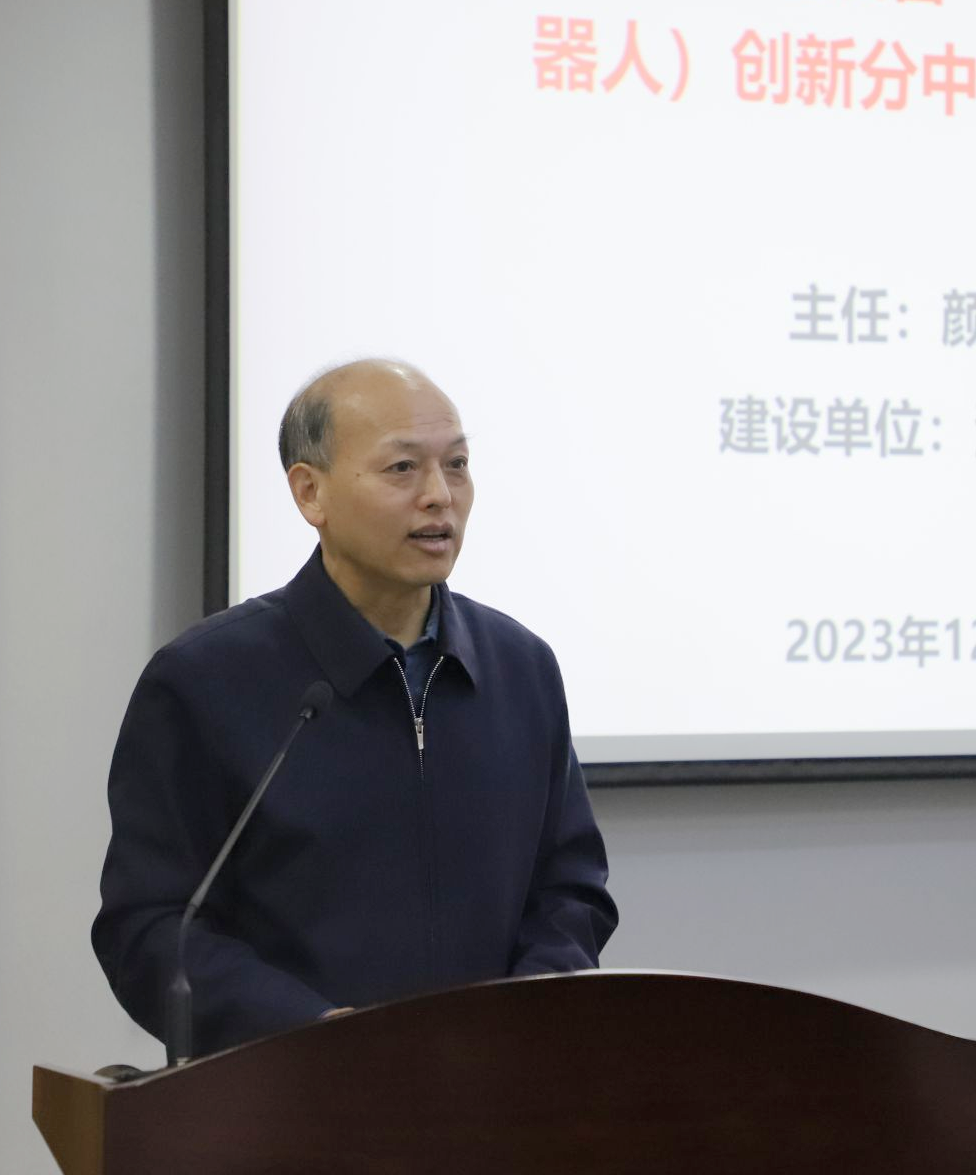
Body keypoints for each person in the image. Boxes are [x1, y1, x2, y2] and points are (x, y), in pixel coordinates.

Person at [92, 359, 617, 1056]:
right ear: (310, 493)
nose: (439, 496)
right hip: (287, 1092)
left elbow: (572, 892)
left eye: (457, 465)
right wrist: (315, 1035)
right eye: (403, 469)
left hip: (496, 1090)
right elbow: (152, 927)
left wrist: (522, 1016)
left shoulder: (520, 668)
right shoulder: (205, 680)